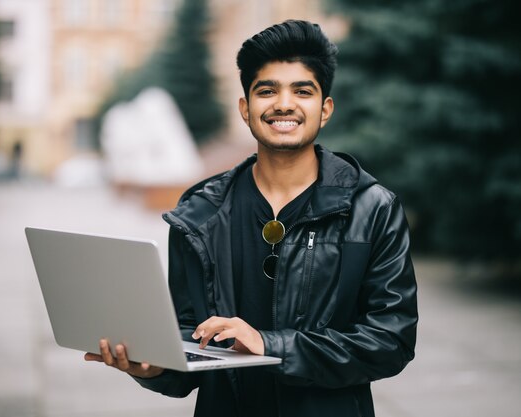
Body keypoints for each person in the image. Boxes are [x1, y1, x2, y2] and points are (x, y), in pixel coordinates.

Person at [85, 20, 418, 417]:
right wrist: (154, 367)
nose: (283, 104)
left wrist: (269, 343)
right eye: (267, 90)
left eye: (302, 91)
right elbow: (190, 341)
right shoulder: (200, 210)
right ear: (245, 108)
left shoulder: (372, 208)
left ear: (324, 109)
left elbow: (390, 342)